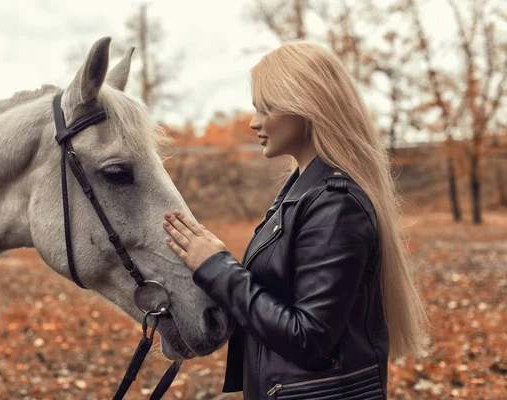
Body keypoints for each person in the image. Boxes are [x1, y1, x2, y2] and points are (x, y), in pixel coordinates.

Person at [162, 41, 428, 400]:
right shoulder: (301, 192)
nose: (254, 121)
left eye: (266, 108)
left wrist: (217, 268)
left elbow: (309, 339)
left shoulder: (336, 204)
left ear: (307, 107)